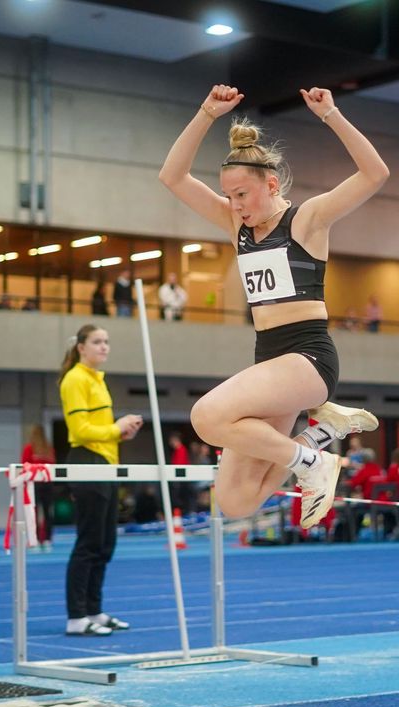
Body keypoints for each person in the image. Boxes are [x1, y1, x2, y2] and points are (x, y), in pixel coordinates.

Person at [158, 84, 387, 530]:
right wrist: (206, 112)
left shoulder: (306, 219)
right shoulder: (234, 224)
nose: (235, 205)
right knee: (237, 500)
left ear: (272, 184)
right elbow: (172, 177)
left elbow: (375, 173)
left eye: (243, 194)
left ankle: (313, 462)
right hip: (269, 358)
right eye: (229, 195)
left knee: (206, 417)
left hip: (308, 358)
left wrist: (332, 115)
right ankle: (319, 435)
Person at [59, 324, 143, 636]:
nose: (104, 347)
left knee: (106, 543)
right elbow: (80, 431)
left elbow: (102, 432)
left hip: (107, 463)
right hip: (86, 462)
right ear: (81, 347)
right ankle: (76, 617)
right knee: (89, 543)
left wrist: (122, 432)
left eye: (107, 342)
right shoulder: (75, 379)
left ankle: (94, 610)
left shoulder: (98, 380)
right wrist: (115, 427)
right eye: (97, 342)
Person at [21, 424, 56, 550]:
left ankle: (36, 539)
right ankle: (46, 540)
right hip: (46, 484)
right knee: (46, 513)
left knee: (35, 513)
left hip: (36, 484)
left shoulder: (31, 448)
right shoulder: (48, 449)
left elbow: (24, 465)